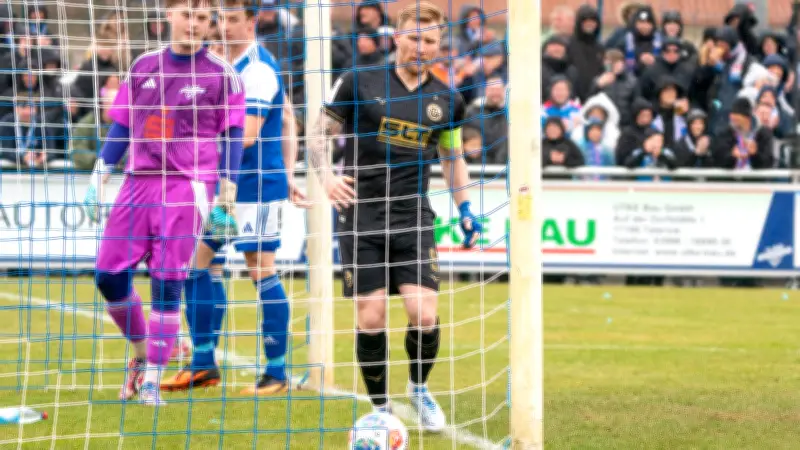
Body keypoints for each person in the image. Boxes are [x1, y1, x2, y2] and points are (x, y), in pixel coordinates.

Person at [306, 1, 483, 431]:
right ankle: (381, 408)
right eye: (414, 38)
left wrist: (465, 208)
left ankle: (418, 389)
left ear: (439, 45)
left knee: (424, 314)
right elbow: (317, 134)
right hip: (361, 213)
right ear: (397, 37)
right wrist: (326, 177)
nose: (422, 47)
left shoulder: (448, 99)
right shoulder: (359, 80)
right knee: (371, 317)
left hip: (413, 215)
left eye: (430, 41)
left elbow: (452, 158)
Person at [83, 0, 245, 406]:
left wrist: (228, 192)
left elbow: (233, 136)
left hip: (187, 186)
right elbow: (122, 125)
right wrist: (99, 174)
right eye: (187, 14)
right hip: (138, 182)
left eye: (202, 18)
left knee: (168, 282)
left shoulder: (222, 74)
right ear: (169, 14)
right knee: (107, 275)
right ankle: (142, 353)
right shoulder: (143, 65)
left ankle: (153, 381)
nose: (194, 24)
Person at [159, 0, 306, 395]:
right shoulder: (220, 63)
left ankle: (276, 372)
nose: (223, 27)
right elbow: (288, 119)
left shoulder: (257, 70)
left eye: (233, 19)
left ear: (252, 21)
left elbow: (248, 136)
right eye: (219, 19)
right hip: (222, 184)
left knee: (259, 267)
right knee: (200, 264)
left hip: (254, 186)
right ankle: (203, 363)